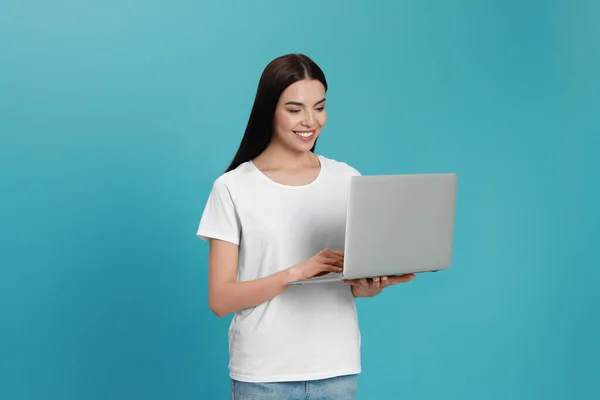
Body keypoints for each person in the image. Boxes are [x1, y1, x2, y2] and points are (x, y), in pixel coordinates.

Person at [196, 53, 416, 400]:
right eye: (295, 109)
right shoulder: (233, 188)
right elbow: (220, 299)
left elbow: (352, 287)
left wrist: (371, 285)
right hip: (263, 374)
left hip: (337, 369)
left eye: (320, 107)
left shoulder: (347, 179)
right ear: (270, 110)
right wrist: (296, 273)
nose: (310, 121)